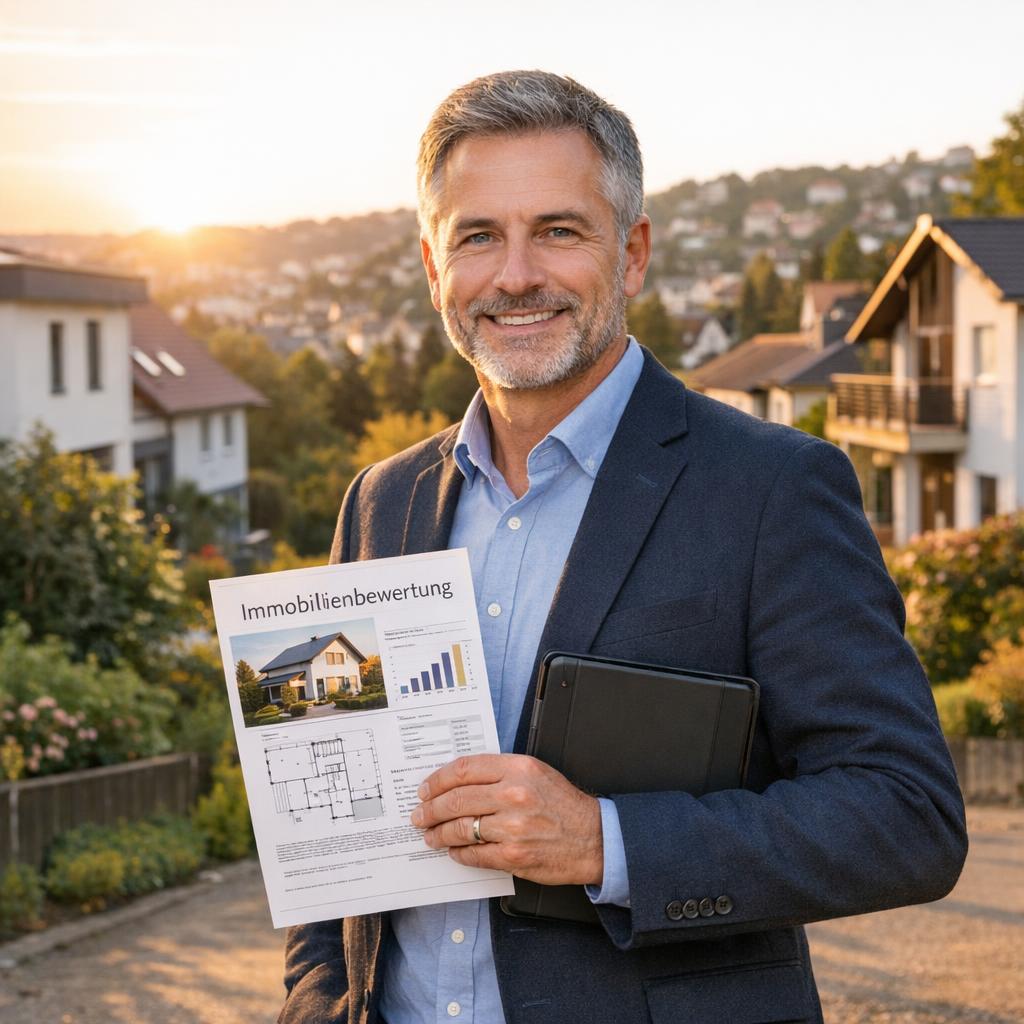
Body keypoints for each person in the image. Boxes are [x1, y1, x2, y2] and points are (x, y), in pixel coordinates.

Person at [279, 70, 966, 1024]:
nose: (516, 275)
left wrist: (606, 842)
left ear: (633, 254)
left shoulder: (771, 488)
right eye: (478, 236)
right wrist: (318, 1002)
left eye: (559, 231)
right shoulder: (381, 502)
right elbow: (325, 839)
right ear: (435, 268)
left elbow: (907, 814)